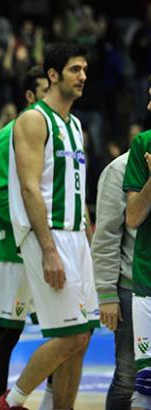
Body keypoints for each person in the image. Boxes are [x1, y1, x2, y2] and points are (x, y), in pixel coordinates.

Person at [0, 42, 99, 410]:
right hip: (48, 237)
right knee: (66, 337)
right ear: (52, 75)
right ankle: (8, 402)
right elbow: (30, 187)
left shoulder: (76, 124)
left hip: (75, 237)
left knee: (81, 338)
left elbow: (77, 188)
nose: (83, 76)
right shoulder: (33, 120)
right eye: (74, 70)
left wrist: (88, 234)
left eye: (84, 69)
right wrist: (49, 249)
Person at [0, 67, 50, 403]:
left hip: (44, 246)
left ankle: (53, 398)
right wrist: (31, 224)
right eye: (43, 90)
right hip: (13, 248)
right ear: (30, 96)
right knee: (7, 333)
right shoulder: (10, 134)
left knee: (61, 330)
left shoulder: (57, 132)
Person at [93, 150, 136, 410]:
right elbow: (106, 235)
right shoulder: (120, 168)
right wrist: (107, 292)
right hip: (131, 288)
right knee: (127, 378)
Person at [123, 87, 151, 410]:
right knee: (145, 385)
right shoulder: (143, 145)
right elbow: (133, 216)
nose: (147, 105)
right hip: (147, 279)